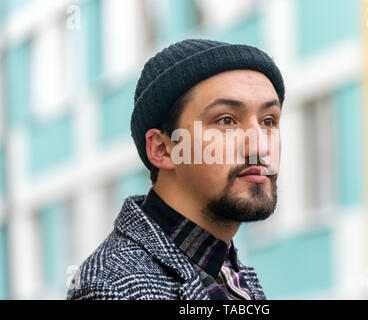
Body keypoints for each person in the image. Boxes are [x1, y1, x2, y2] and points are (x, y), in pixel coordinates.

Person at [67, 38, 285, 300]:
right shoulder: (112, 288)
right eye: (226, 120)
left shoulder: (224, 271)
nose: (259, 147)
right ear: (162, 149)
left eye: (269, 121)